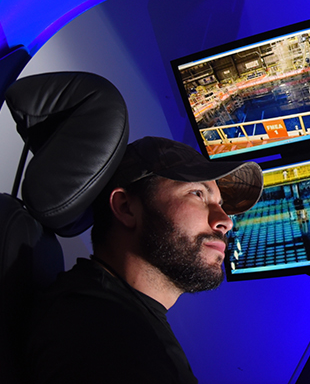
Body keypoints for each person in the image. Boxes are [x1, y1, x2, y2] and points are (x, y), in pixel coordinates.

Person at [25, 136, 263, 383]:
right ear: (126, 207)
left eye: (220, 204)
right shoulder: (117, 348)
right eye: (197, 193)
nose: (226, 221)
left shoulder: (95, 309)